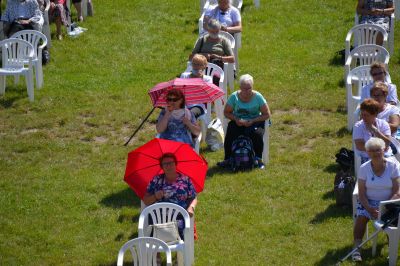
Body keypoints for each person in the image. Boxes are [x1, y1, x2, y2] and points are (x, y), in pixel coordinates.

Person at [351, 137, 400, 262]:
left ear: (384, 150)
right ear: (367, 152)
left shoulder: (393, 166)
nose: (376, 153)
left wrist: (384, 207)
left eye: (378, 150)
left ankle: (391, 249)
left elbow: (397, 191)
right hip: (368, 201)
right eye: (372, 150)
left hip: (389, 202)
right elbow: (361, 193)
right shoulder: (364, 168)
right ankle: (357, 248)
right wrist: (369, 208)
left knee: (393, 223)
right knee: (361, 217)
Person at [218, 74, 271, 168]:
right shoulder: (234, 97)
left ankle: (258, 159)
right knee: (231, 131)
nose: (246, 91)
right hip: (239, 121)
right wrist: (236, 119)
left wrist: (253, 120)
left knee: (257, 134)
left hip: (255, 121)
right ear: (240, 88)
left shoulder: (258, 97)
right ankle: (228, 159)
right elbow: (226, 112)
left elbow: (267, 114)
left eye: (249, 88)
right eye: (244, 89)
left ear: (252, 87)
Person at [143, 153, 198, 239]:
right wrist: (155, 196)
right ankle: (155, 252)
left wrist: (191, 207)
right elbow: (146, 200)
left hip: (178, 216)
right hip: (158, 217)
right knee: (154, 237)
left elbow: (193, 197)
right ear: (162, 167)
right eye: (165, 164)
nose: (168, 166)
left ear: (175, 164)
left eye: (171, 163)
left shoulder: (185, 179)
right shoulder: (156, 180)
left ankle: (179, 251)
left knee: (180, 234)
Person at [353, 98, 392, 164]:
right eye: (362, 114)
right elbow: (359, 145)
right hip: (366, 156)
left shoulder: (383, 124)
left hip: (385, 155)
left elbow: (387, 143)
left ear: (375, 114)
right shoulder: (358, 126)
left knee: (392, 167)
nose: (363, 117)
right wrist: (377, 151)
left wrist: (375, 130)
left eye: (367, 115)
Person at [181, 54, 212, 119]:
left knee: (190, 115)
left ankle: (189, 128)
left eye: (199, 65)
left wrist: (200, 79)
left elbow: (208, 93)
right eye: (194, 64)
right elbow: (180, 91)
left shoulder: (207, 79)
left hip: (198, 105)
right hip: (184, 104)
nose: (196, 67)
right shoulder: (184, 76)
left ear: (204, 66)